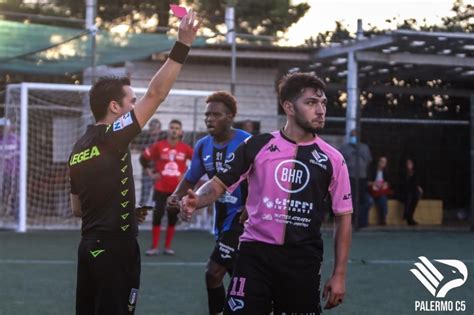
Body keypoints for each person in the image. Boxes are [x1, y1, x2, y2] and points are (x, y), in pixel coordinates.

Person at [180, 73, 352, 314]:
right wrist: (197, 199)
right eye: (311, 103)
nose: (321, 110)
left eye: (323, 103)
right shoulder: (257, 145)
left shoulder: (333, 159)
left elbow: (343, 217)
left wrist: (339, 275)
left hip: (302, 260)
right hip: (254, 255)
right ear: (289, 107)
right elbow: (218, 183)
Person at [68, 12, 200, 315]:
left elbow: (78, 208)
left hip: (88, 247)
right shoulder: (113, 134)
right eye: (131, 101)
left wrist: (123, 210)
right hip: (115, 249)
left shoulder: (78, 148)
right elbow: (157, 93)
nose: (135, 106)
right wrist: (182, 44)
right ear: (115, 107)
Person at [169, 91, 251, 314]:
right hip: (222, 221)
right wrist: (176, 197)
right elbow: (190, 177)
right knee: (239, 278)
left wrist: (253, 206)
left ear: (231, 116)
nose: (209, 119)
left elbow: (262, 179)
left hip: (243, 220)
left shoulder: (247, 142)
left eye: (216, 114)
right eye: (207, 115)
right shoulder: (203, 145)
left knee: (213, 272)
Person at [141, 119, 193, 256]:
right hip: (160, 188)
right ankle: (154, 247)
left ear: (180, 132)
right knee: (157, 216)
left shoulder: (185, 148)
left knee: (172, 217)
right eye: (172, 127)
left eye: (177, 128)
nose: (174, 130)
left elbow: (197, 161)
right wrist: (150, 173)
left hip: (176, 191)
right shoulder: (158, 146)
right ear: (168, 130)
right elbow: (143, 158)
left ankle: (167, 247)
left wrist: (186, 174)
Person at [339, 129, 372, 228]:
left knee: (363, 199)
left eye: (355, 135)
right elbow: (341, 160)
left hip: (362, 177)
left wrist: (359, 151)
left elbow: (368, 160)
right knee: (350, 199)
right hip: (350, 178)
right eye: (352, 136)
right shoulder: (345, 148)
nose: (354, 138)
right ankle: (351, 221)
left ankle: (361, 221)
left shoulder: (364, 147)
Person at [132, 118, 163, 206]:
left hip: (160, 174)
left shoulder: (163, 142)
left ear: (159, 129)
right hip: (147, 173)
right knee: (144, 197)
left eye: (156, 129)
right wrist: (149, 172)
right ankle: (139, 216)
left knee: (159, 198)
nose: (153, 131)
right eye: (151, 129)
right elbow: (142, 159)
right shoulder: (145, 142)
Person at [0, 117, 19, 217]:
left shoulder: (16, 139)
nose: (3, 129)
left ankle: (14, 212)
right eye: (2, 127)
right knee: (3, 192)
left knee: (15, 192)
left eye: (5, 127)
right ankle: (3, 212)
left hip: (14, 172)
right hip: (2, 172)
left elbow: (21, 155)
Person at [368, 156, 392, 226]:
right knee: (369, 201)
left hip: (380, 192)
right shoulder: (372, 170)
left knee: (383, 200)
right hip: (371, 191)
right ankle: (365, 221)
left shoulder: (386, 172)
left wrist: (384, 184)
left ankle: (383, 220)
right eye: (382, 161)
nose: (383, 163)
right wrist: (374, 183)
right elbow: (366, 182)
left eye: (385, 162)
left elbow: (388, 183)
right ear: (378, 162)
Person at [399, 158, 423, 225]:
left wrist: (418, 187)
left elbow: (415, 183)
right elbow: (403, 184)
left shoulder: (415, 173)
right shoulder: (403, 173)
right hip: (404, 192)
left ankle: (409, 217)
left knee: (415, 197)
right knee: (409, 196)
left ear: (412, 165)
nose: (408, 165)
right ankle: (407, 215)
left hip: (412, 191)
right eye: (407, 164)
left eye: (410, 163)